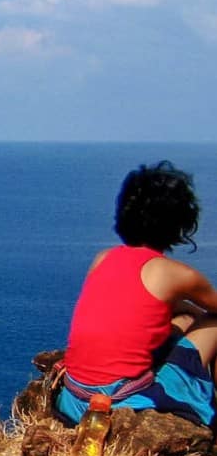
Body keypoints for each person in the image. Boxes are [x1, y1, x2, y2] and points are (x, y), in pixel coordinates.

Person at [56, 161, 217, 429]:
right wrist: (196, 312)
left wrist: (188, 311)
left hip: (74, 400)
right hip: (121, 403)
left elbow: (140, 308)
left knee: (184, 319)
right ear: (179, 222)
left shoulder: (103, 258)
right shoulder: (176, 274)